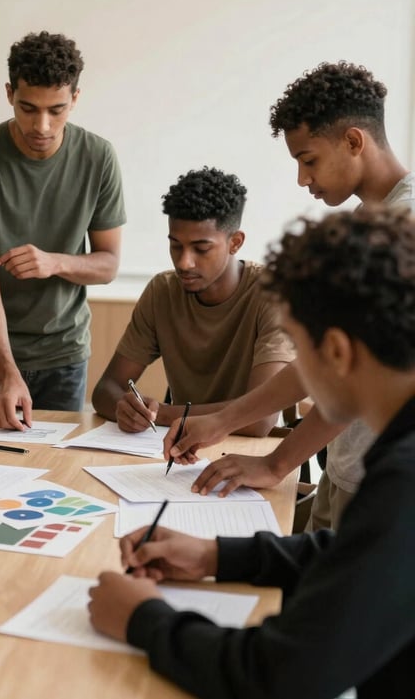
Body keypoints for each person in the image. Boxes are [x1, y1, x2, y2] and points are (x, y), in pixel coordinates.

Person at [88, 204, 415, 698]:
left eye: (300, 354)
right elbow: (359, 555)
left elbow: (282, 674)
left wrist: (142, 619)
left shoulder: (405, 477)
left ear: (340, 353)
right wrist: (215, 555)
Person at [165, 61, 415, 529]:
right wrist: (222, 421)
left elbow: (358, 372)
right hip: (345, 471)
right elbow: (322, 362)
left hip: (381, 489)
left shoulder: (404, 229)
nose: (303, 179)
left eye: (309, 159)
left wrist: (277, 463)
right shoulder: (368, 221)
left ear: (354, 141)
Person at [0, 30, 126, 430]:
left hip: (64, 353)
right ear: (9, 93)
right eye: (27, 108)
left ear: (75, 99)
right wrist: (8, 373)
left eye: (57, 110)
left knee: (56, 476)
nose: (42, 125)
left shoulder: (98, 157)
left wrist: (54, 262)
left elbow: (109, 264)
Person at [91, 167, 293, 435]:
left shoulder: (274, 294)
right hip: (179, 446)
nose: (184, 262)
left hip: (247, 452)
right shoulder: (161, 292)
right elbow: (105, 390)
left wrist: (162, 413)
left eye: (201, 248)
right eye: (176, 245)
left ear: (235, 242)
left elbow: (258, 420)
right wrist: (126, 407)